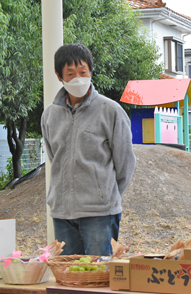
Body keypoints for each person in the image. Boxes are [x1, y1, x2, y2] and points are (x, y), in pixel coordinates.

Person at [41, 43, 136, 258]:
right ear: (59, 76)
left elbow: (125, 162)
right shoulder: (49, 115)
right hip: (62, 212)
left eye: (83, 72)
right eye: (70, 74)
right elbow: (54, 157)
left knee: (103, 278)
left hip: (100, 213)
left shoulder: (110, 111)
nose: (78, 78)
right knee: (70, 278)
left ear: (91, 71)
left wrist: (107, 196)